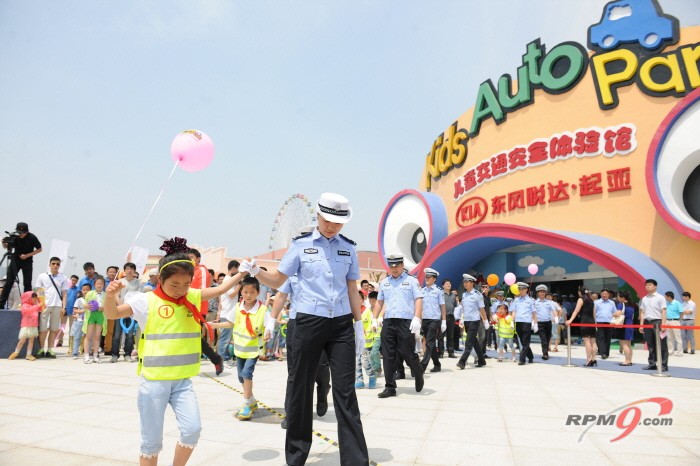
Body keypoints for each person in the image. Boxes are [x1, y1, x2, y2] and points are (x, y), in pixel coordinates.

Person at [247, 193, 368, 466]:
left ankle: (356, 461)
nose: (332, 227)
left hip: (340, 326)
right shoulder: (300, 246)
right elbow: (279, 280)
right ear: (318, 216)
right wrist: (256, 270)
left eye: (338, 223)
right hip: (308, 323)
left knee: (346, 392)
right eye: (328, 221)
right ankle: (297, 456)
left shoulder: (348, 248)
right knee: (301, 389)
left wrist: (358, 324)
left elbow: (352, 288)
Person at [104, 237, 246, 466]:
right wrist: (109, 296)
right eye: (174, 285)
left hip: (182, 382)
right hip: (154, 383)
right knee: (151, 442)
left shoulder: (190, 296)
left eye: (186, 284)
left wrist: (242, 273)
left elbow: (221, 288)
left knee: (192, 430)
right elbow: (112, 314)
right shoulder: (145, 301)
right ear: (160, 279)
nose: (181, 290)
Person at [211, 276, 268, 420]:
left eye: (252, 292)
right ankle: (252, 400)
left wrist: (268, 332)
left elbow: (268, 325)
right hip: (239, 349)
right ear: (241, 292)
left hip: (253, 350)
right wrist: (213, 325)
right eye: (245, 292)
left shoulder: (262, 309)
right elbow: (229, 323)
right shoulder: (238, 307)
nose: (248, 295)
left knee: (246, 374)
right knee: (241, 378)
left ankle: (246, 404)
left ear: (258, 292)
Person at [372, 254, 425, 396]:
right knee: (388, 354)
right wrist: (374, 318)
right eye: (391, 266)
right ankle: (390, 387)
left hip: (405, 322)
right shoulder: (384, 282)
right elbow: (379, 301)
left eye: (396, 265)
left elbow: (418, 300)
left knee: (406, 352)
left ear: (402, 265)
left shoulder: (412, 281)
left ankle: (418, 371)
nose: (394, 269)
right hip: (389, 322)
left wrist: (417, 318)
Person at [188, 248, 224, 375]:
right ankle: (214, 358)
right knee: (191, 336)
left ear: (198, 258)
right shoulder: (187, 270)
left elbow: (202, 291)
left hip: (197, 308)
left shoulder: (201, 270)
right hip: (186, 307)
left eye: (191, 257)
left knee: (194, 337)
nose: (189, 259)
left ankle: (215, 358)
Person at [0, 222, 42, 309]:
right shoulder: (15, 237)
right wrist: (3, 242)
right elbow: (6, 247)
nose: (21, 234)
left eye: (23, 233)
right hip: (15, 260)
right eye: (20, 232)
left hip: (27, 261)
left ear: (27, 231)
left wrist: (27, 255)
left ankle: (27, 303)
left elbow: (39, 249)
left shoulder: (32, 237)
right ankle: (2, 302)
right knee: (9, 281)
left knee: (27, 282)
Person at [33, 257, 69, 358]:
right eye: (53, 263)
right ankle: (41, 349)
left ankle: (50, 349)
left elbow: (64, 293)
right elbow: (38, 290)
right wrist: (41, 303)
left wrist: (64, 307)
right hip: (45, 305)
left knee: (54, 329)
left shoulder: (63, 277)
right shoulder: (42, 276)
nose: (55, 266)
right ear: (49, 264)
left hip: (57, 305)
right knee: (43, 329)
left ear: (59, 265)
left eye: (57, 264)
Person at [456, 274, 489, 369]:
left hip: (475, 321)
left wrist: (485, 320)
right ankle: (482, 360)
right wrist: (462, 319)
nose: (465, 284)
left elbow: (482, 309)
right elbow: (464, 308)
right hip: (467, 321)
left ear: (472, 283)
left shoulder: (477, 295)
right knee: (474, 341)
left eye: (467, 282)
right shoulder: (464, 294)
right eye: (464, 282)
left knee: (469, 342)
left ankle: (462, 362)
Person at [111, 262, 140, 362]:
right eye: (127, 268)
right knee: (117, 335)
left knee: (129, 335)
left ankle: (127, 354)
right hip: (120, 310)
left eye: (132, 269)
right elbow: (116, 295)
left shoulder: (138, 282)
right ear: (124, 270)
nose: (129, 270)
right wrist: (122, 308)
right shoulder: (120, 282)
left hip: (132, 312)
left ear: (134, 271)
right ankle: (115, 355)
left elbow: (138, 296)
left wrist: (130, 309)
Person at [420, 268, 446, 372]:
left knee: (429, 342)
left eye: (429, 277)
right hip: (425, 319)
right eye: (426, 277)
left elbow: (443, 306)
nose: (426, 279)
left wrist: (443, 321)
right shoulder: (422, 290)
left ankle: (423, 365)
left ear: (434, 279)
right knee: (430, 343)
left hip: (435, 320)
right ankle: (437, 364)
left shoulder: (439, 291)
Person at [639, 279, 669, 371]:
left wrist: (663, 324)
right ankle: (652, 363)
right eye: (646, 285)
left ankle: (664, 365)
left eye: (650, 285)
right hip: (647, 322)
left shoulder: (660, 297)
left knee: (662, 345)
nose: (647, 286)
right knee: (650, 344)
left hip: (658, 322)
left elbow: (663, 311)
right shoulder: (644, 298)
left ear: (655, 286)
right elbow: (642, 312)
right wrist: (641, 325)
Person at [8, 291, 44, 360]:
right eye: (34, 298)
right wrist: (37, 305)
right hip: (26, 325)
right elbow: (28, 311)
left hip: (33, 325)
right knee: (22, 340)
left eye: (36, 298)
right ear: (29, 298)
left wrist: (40, 301)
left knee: (31, 340)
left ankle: (28, 354)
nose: (35, 300)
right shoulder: (24, 305)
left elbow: (40, 309)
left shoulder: (35, 305)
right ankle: (16, 352)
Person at [567, 286, 597, 367]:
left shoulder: (581, 299)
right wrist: (595, 323)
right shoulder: (591, 300)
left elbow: (576, 311)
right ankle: (594, 359)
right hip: (592, 322)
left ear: (580, 292)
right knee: (593, 341)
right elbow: (594, 313)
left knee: (587, 341)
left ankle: (588, 360)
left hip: (585, 321)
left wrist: (570, 320)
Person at [83, 276, 107, 363]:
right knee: (88, 336)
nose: (99, 285)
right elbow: (84, 303)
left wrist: (103, 308)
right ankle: (86, 355)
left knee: (97, 336)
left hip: (100, 315)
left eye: (101, 284)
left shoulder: (106, 295)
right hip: (91, 315)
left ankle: (95, 356)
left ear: (104, 285)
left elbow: (108, 307)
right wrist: (87, 306)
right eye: (98, 283)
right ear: (94, 284)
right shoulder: (89, 293)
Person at [511, 282, 537, 366]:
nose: (520, 291)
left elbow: (534, 312)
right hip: (518, 322)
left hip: (526, 322)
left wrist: (535, 323)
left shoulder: (530, 300)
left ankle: (522, 359)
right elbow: (514, 311)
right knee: (523, 342)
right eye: (519, 289)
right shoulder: (516, 300)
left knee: (525, 342)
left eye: (522, 289)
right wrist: (512, 321)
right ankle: (531, 356)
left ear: (526, 289)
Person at [355, 290, 377, 388]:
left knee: (364, 361)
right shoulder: (352, 312)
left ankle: (372, 376)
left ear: (363, 299)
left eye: (358, 299)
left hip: (365, 342)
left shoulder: (367, 311)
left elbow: (372, 323)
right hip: (354, 342)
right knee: (356, 362)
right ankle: (359, 380)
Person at [533, 284, 556, 360]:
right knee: (543, 339)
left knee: (548, 338)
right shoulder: (535, 303)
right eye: (540, 292)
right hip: (540, 323)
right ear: (538, 293)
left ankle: (546, 352)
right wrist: (534, 323)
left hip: (548, 322)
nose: (542, 293)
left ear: (545, 293)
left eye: (543, 292)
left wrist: (556, 317)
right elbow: (533, 313)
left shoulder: (549, 302)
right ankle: (545, 354)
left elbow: (553, 310)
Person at [614, 291, 635, 366]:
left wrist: (613, 314)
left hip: (624, 325)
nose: (617, 298)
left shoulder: (620, 304)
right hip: (630, 324)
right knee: (628, 344)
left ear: (622, 297)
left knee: (624, 344)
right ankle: (629, 360)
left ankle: (627, 361)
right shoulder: (631, 304)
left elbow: (618, 313)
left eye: (618, 296)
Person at [593, 289, 616, 359]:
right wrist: (595, 322)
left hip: (609, 322)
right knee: (601, 338)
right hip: (599, 322)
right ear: (600, 294)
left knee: (608, 338)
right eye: (602, 294)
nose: (604, 295)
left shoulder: (612, 303)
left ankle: (607, 353)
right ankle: (603, 353)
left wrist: (614, 321)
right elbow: (594, 313)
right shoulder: (596, 302)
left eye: (605, 293)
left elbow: (614, 312)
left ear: (608, 294)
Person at [70, 284, 90, 359]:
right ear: (81, 291)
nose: (85, 291)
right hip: (79, 321)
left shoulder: (91, 300)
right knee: (77, 337)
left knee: (88, 337)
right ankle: (75, 352)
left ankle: (87, 352)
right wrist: (82, 311)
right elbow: (74, 310)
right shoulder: (79, 300)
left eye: (87, 290)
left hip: (89, 321)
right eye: (84, 290)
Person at [60, 274, 80, 349]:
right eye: (72, 280)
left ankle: (70, 342)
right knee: (62, 326)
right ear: (70, 280)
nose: (74, 282)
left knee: (72, 328)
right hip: (64, 310)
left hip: (73, 312)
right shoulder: (65, 289)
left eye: (75, 281)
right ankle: (60, 341)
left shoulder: (77, 290)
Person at [442, 279, 459, 357]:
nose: (449, 285)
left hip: (451, 316)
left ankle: (450, 352)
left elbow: (455, 305)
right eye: (447, 283)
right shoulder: (441, 294)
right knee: (441, 335)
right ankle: (441, 352)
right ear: (443, 286)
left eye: (449, 283)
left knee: (451, 335)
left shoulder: (453, 295)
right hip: (443, 316)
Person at [664, 291, 683, 356]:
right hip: (667, 321)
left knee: (678, 338)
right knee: (669, 337)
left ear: (669, 297)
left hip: (675, 321)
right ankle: (670, 352)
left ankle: (679, 352)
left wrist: (679, 320)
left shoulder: (677, 303)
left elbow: (681, 312)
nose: (665, 297)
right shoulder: (667, 303)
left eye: (666, 296)